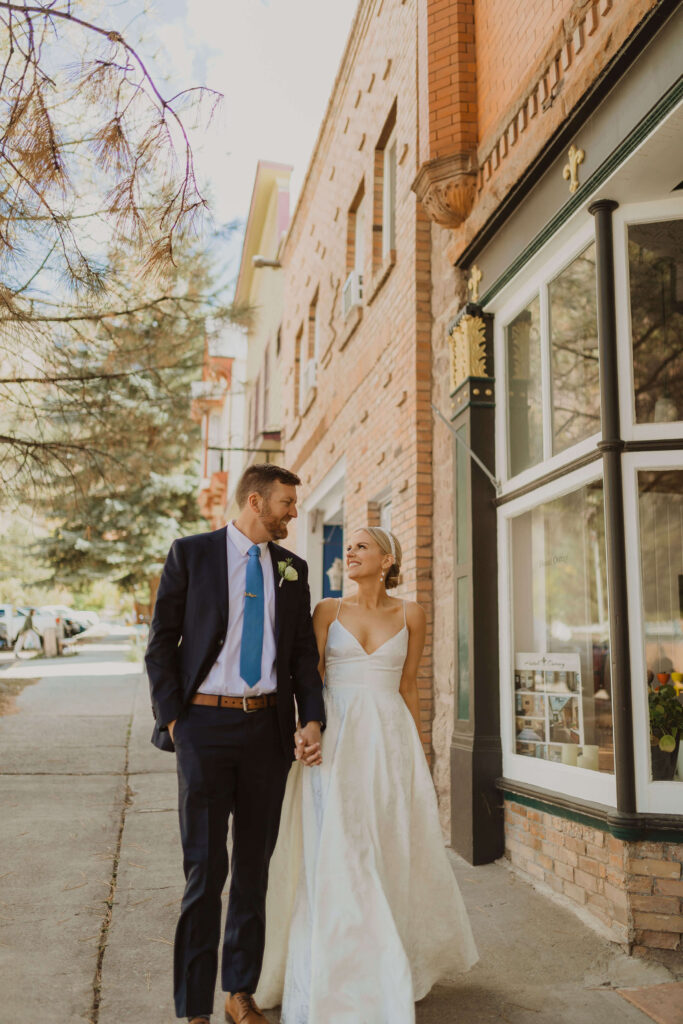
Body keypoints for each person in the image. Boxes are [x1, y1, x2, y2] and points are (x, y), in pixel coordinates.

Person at [256, 526, 478, 1024]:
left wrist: (419, 751)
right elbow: (307, 675)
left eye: (362, 546)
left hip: (389, 739)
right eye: (349, 546)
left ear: (387, 559)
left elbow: (408, 684)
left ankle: (388, 958)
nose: (350, 552)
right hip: (336, 738)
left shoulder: (411, 613)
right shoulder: (328, 611)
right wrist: (305, 727)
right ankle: (342, 970)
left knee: (385, 847)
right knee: (340, 848)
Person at [145, 464, 325, 1024]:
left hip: (266, 732)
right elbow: (160, 644)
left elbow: (300, 655)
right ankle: (194, 1004)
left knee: (254, 867)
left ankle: (238, 990)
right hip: (204, 727)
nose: (294, 513)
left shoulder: (293, 569)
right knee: (205, 869)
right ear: (255, 500)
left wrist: (312, 719)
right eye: (287, 503)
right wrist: (176, 721)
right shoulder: (192, 554)